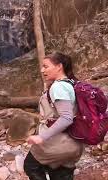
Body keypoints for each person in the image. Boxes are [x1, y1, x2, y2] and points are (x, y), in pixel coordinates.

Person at [24, 52, 84, 180]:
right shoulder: (70, 83)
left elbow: (66, 118)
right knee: (60, 174)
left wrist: (41, 137)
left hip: (57, 143)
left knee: (30, 166)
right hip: (73, 143)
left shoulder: (58, 87)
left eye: (46, 66)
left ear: (59, 67)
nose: (42, 70)